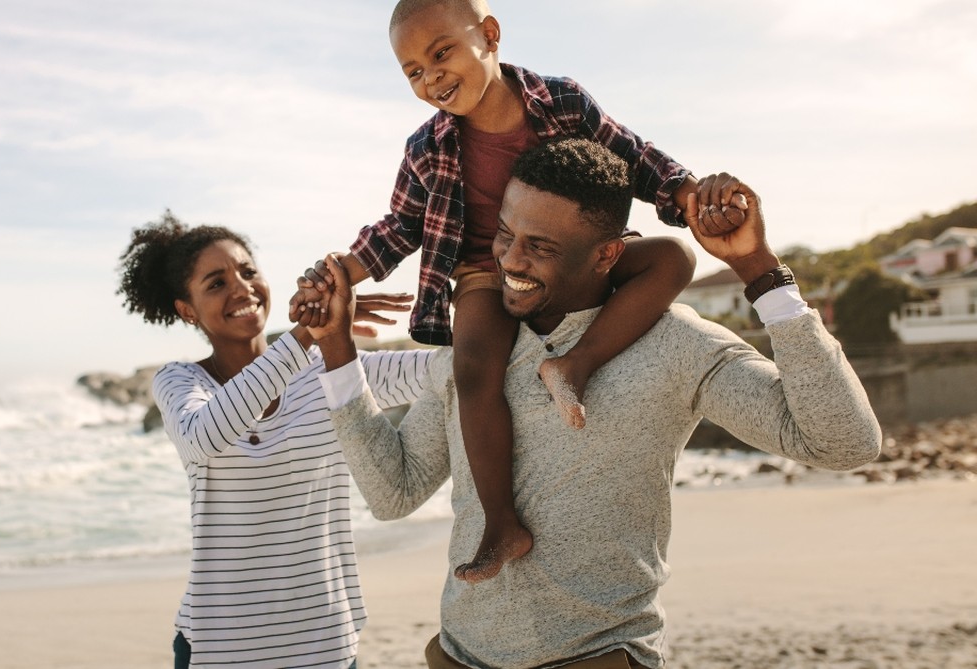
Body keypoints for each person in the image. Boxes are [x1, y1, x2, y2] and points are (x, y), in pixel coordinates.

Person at [305, 138, 882, 669]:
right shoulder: (476, 352)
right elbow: (393, 492)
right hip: (461, 655)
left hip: (600, 658)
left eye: (541, 247)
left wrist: (758, 269)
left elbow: (844, 442)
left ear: (607, 254)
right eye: (505, 235)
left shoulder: (673, 343)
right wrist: (337, 349)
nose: (510, 261)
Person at [290, 0, 745, 583]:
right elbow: (401, 226)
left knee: (673, 258)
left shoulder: (562, 102)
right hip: (486, 269)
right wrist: (339, 271)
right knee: (474, 365)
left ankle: (574, 365)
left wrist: (689, 196)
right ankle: (502, 525)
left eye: (441, 53)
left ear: (489, 34)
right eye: (411, 71)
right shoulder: (426, 148)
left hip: (575, 260)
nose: (430, 78)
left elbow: (634, 157)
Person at [115, 214, 433, 669]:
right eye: (216, 283)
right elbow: (203, 436)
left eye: (248, 272)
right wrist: (308, 332)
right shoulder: (181, 381)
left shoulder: (333, 368)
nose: (241, 288)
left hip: (325, 644)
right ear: (187, 309)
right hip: (219, 647)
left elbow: (445, 373)